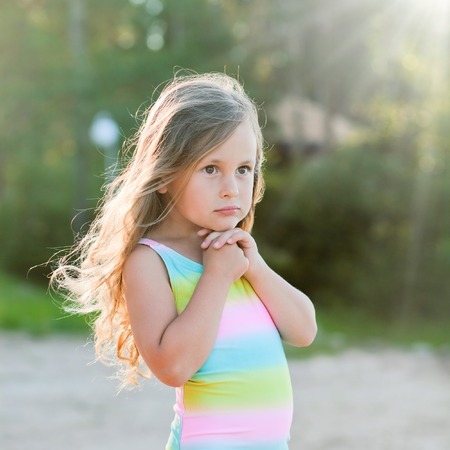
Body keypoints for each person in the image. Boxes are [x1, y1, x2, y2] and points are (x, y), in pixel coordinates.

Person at [51, 72, 317, 450]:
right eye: (211, 169)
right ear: (165, 174)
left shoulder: (237, 254)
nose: (232, 187)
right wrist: (217, 277)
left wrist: (254, 267)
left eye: (244, 169)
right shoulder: (152, 261)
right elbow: (173, 367)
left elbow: (304, 331)